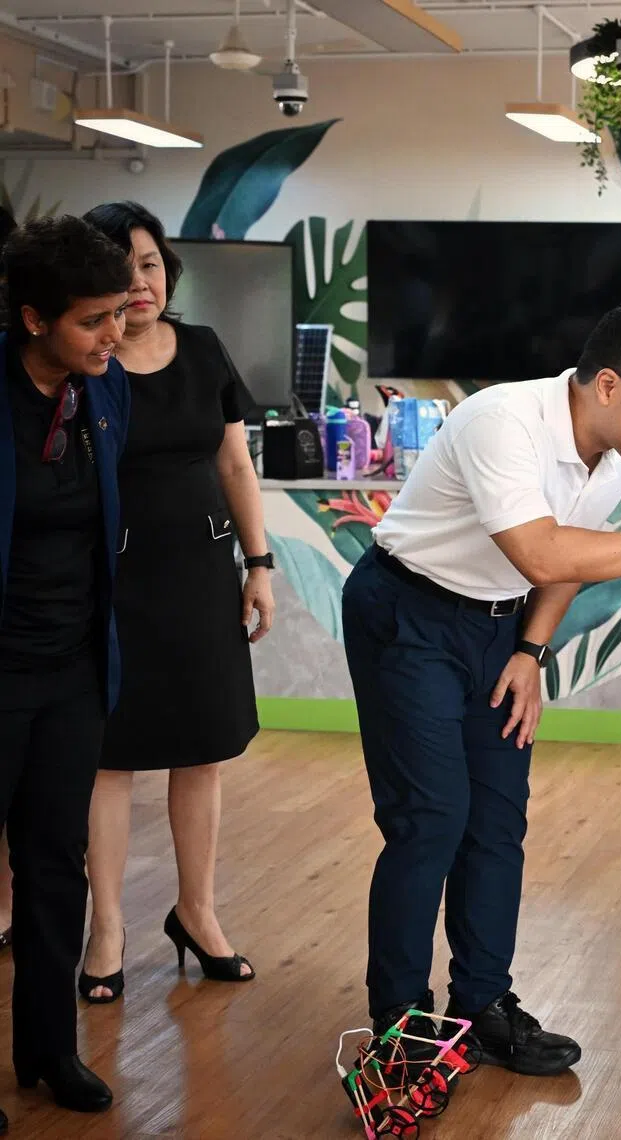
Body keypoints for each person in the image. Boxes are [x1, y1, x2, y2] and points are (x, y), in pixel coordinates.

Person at [342, 300, 621, 1074]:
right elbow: (546, 552)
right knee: (431, 819)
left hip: (496, 626)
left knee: (497, 821)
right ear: (610, 386)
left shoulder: (614, 451)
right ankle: (402, 1024)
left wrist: (531, 653)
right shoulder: (502, 421)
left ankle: (482, 1007)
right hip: (407, 612)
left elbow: (565, 562)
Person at [77, 201, 273, 1003]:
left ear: (169, 272)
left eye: (151, 264)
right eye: (121, 268)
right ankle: (108, 929)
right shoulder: (81, 359)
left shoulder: (201, 350)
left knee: (201, 751)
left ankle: (197, 912)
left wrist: (258, 564)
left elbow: (235, 466)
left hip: (201, 577)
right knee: (110, 758)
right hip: (110, 582)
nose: (139, 281)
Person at [0, 215, 133, 1119]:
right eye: (93, 320)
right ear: (34, 318)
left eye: (119, 314)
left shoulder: (106, 393)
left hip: (73, 668)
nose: (112, 336)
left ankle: (50, 1050)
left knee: (57, 863)